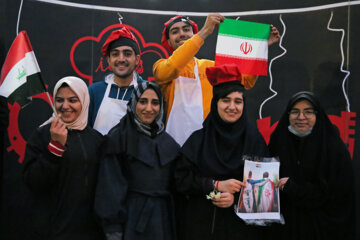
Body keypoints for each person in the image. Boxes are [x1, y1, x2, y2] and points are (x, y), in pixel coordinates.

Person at [153, 13, 281, 145]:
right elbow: (174, 66)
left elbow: (245, 81)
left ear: (193, 34)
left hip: (208, 146)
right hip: (173, 147)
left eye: (186, 29)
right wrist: (205, 31)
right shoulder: (161, 66)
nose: (182, 34)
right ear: (168, 42)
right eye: (175, 31)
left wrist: (260, 47)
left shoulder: (210, 66)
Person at [174, 64, 269, 239]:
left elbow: (263, 194)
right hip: (202, 228)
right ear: (215, 102)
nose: (232, 107)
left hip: (242, 231)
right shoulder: (199, 140)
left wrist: (238, 199)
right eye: (225, 100)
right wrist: (215, 187)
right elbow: (181, 181)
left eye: (238, 101)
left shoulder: (254, 141)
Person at [94, 82, 180, 240]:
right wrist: (113, 229)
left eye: (155, 103)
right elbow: (109, 188)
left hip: (163, 221)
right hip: (130, 221)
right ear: (133, 103)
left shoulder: (169, 143)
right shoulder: (118, 138)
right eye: (143, 101)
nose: (149, 108)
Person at [22, 76, 105, 239]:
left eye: (73, 100)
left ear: (84, 101)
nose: (65, 106)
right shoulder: (41, 135)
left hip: (89, 231)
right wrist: (55, 147)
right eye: (59, 100)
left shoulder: (96, 139)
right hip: (52, 231)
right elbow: (33, 182)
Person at [268, 91, 354, 240]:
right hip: (284, 229)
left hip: (321, 228)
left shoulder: (333, 147)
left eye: (308, 112)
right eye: (295, 112)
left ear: (317, 115)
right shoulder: (278, 141)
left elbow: (339, 195)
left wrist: (296, 189)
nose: (301, 117)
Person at [88, 27, 146, 135]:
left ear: (137, 59)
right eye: (115, 54)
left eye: (127, 54)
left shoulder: (146, 90)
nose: (121, 59)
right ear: (108, 60)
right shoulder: (94, 91)